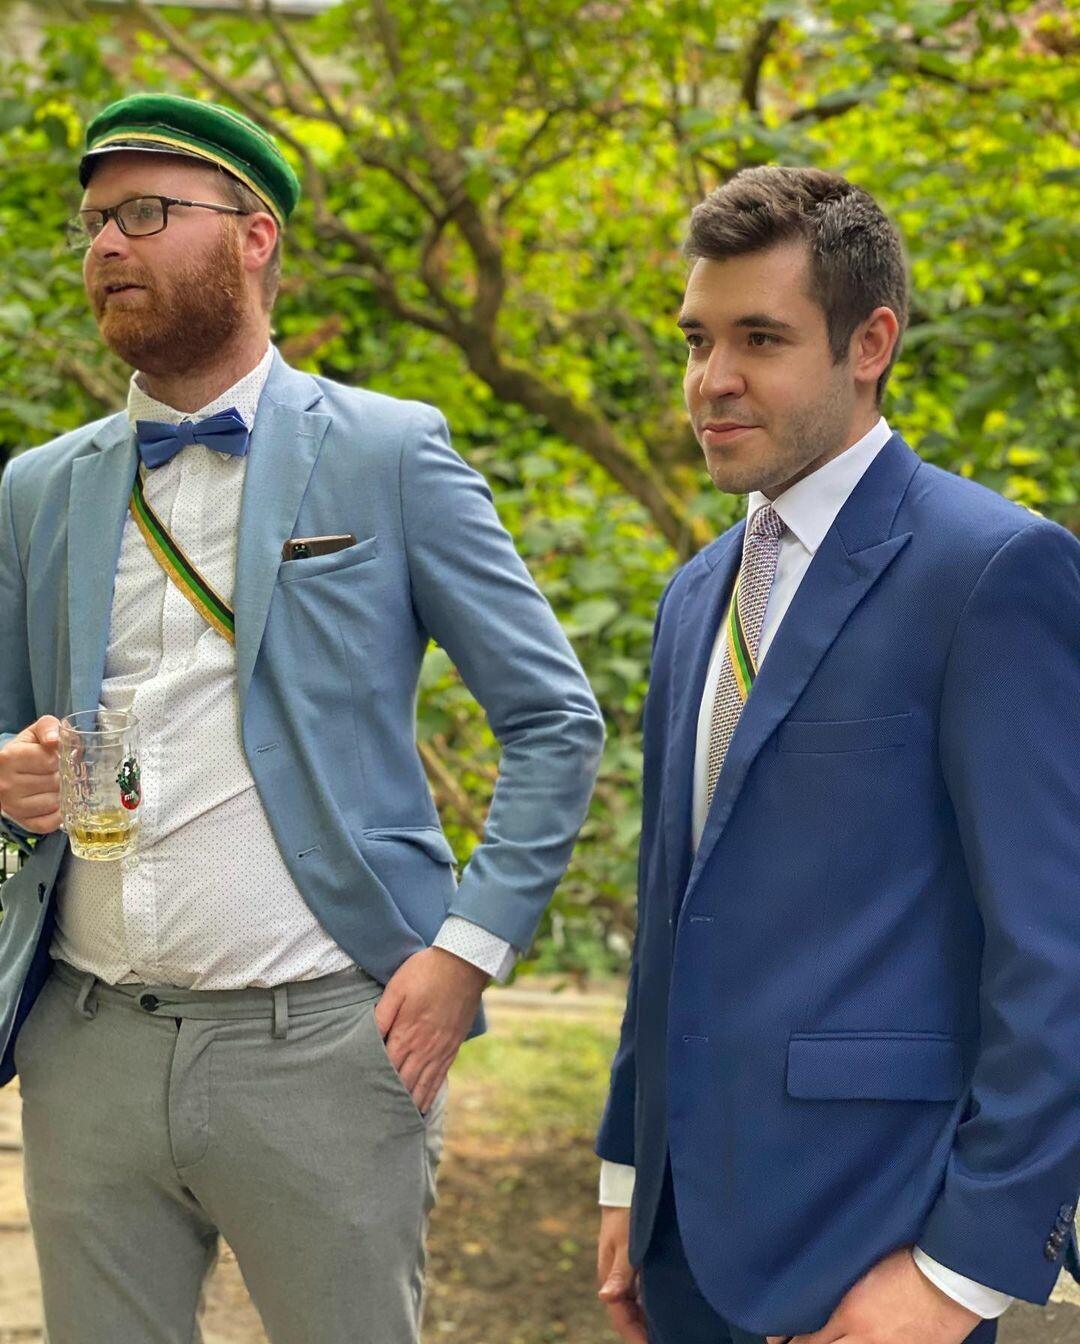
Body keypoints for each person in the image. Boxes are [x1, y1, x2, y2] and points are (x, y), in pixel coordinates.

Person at [0, 93, 604, 1344]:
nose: (107, 244)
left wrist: (466, 954)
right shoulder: (35, 488)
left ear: (254, 234)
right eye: (94, 222)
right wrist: (10, 776)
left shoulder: (391, 452)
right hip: (86, 1044)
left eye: (146, 213)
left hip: (325, 1042)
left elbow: (554, 719)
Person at [594, 165, 1080, 1344]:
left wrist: (957, 1276)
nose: (711, 380)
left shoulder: (992, 571)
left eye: (759, 339)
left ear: (871, 343)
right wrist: (627, 1170)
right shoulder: (694, 594)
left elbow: (1057, 954)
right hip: (682, 1239)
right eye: (697, 340)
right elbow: (674, 911)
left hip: (876, 1242)